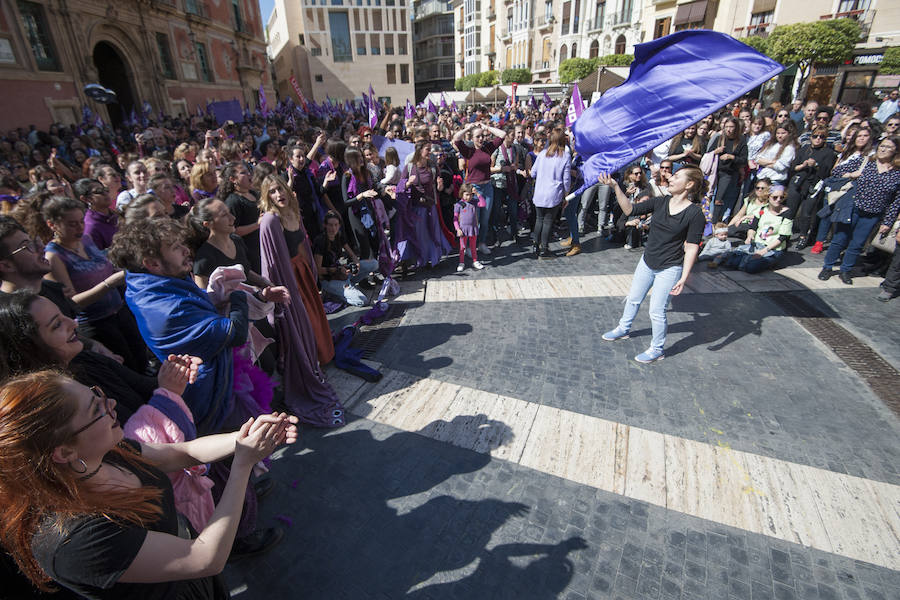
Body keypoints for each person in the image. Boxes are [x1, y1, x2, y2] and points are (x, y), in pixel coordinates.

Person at [0, 369, 296, 600]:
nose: (111, 404)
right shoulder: (73, 539)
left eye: (98, 394)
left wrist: (247, 438)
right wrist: (243, 463)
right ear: (64, 451)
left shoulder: (106, 453)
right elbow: (204, 558)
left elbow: (181, 453)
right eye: (96, 409)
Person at [257, 174, 345, 427]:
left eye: (279, 189)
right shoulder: (270, 220)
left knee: (314, 321)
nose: (277, 195)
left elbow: (304, 245)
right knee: (299, 325)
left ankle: (315, 361)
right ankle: (304, 369)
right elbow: (270, 263)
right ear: (266, 197)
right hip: (288, 280)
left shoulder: (294, 212)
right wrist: (283, 292)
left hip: (303, 274)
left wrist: (312, 274)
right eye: (271, 192)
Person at [600, 166, 707, 363]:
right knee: (633, 298)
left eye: (676, 176)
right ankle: (623, 328)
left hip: (670, 268)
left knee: (656, 311)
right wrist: (615, 186)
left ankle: (657, 349)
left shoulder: (695, 214)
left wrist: (684, 278)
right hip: (647, 261)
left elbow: (692, 247)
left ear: (689, 184)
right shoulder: (660, 202)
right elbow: (630, 210)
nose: (670, 178)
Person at [43, 196, 147, 373]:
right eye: (71, 224)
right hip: (96, 324)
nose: (79, 227)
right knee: (127, 367)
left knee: (141, 358)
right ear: (52, 225)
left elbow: (104, 267)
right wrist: (108, 284)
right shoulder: (54, 256)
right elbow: (71, 302)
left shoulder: (86, 240)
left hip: (120, 311)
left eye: (80, 221)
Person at [819, 136, 900, 285]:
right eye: (882, 146)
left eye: (888, 147)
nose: (883, 149)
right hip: (852, 207)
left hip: (873, 214)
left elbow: (896, 201)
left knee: (857, 243)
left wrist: (888, 222)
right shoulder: (866, 162)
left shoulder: (897, 173)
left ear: (896, 150)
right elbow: (836, 171)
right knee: (839, 238)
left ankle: (845, 270)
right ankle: (827, 267)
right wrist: (852, 174)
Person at [452, 121, 507, 255]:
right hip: (473, 189)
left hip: (487, 187)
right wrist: (468, 128)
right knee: (473, 219)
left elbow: (503, 134)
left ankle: (482, 243)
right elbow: (456, 138)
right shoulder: (468, 151)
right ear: (472, 138)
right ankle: (470, 247)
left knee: (485, 219)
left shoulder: (488, 148)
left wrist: (487, 127)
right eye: (477, 137)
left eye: (482, 136)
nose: (481, 139)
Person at [710, 185, 792, 273]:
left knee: (751, 267)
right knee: (731, 263)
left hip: (773, 249)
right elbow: (753, 227)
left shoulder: (787, 213)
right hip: (757, 245)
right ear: (768, 197)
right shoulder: (762, 210)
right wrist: (750, 236)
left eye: (781, 197)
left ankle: (769, 262)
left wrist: (763, 251)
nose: (778, 200)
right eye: (775, 197)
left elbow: (783, 237)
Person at [399, 141, 453, 267]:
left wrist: (440, 186)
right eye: (428, 149)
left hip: (431, 205)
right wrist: (408, 183)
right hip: (416, 208)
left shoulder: (433, 167)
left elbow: (439, 188)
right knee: (421, 235)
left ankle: (433, 259)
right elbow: (400, 186)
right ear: (419, 151)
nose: (430, 152)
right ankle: (421, 260)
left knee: (433, 233)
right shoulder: (409, 167)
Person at [313, 211, 379, 305]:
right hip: (328, 279)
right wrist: (338, 270)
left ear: (339, 225)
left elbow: (352, 255)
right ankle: (335, 294)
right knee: (361, 301)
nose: (333, 228)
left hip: (342, 273)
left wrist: (357, 265)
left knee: (374, 264)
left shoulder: (339, 236)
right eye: (330, 225)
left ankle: (347, 287)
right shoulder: (320, 241)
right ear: (325, 225)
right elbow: (318, 270)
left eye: (336, 225)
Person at [787, 126, 837, 249]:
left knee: (806, 213)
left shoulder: (829, 153)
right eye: (815, 136)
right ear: (810, 137)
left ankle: (803, 236)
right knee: (790, 210)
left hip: (814, 185)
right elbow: (793, 166)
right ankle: (785, 235)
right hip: (799, 182)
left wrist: (816, 165)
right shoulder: (804, 149)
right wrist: (803, 165)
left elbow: (827, 171)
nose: (818, 139)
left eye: (822, 137)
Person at [529, 128, 571, 259]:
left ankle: (535, 245)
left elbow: (533, 173)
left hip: (540, 192)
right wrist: (567, 194)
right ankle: (544, 249)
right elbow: (566, 179)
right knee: (547, 221)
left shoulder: (542, 154)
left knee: (539, 219)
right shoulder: (565, 156)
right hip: (553, 193)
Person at [707, 117, 748, 223]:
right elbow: (708, 153)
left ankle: (715, 222)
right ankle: (707, 219)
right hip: (715, 171)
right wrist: (716, 151)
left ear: (736, 128)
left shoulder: (740, 141)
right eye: (727, 127)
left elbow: (743, 160)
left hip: (728, 172)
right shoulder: (719, 138)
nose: (729, 129)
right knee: (709, 195)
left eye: (731, 127)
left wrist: (731, 157)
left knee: (719, 198)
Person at [75, 177, 118, 250]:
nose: (105, 194)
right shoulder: (90, 227)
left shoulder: (115, 215)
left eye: (105, 189)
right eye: (99, 191)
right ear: (85, 199)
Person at [454, 183, 484, 272]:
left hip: (473, 229)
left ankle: (475, 261)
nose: (469, 197)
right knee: (462, 247)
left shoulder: (474, 202)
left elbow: (482, 204)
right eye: (467, 194)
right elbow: (455, 219)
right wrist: (458, 229)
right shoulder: (458, 205)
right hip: (463, 230)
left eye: (470, 195)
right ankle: (461, 262)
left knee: (473, 247)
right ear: (462, 193)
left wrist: (477, 194)